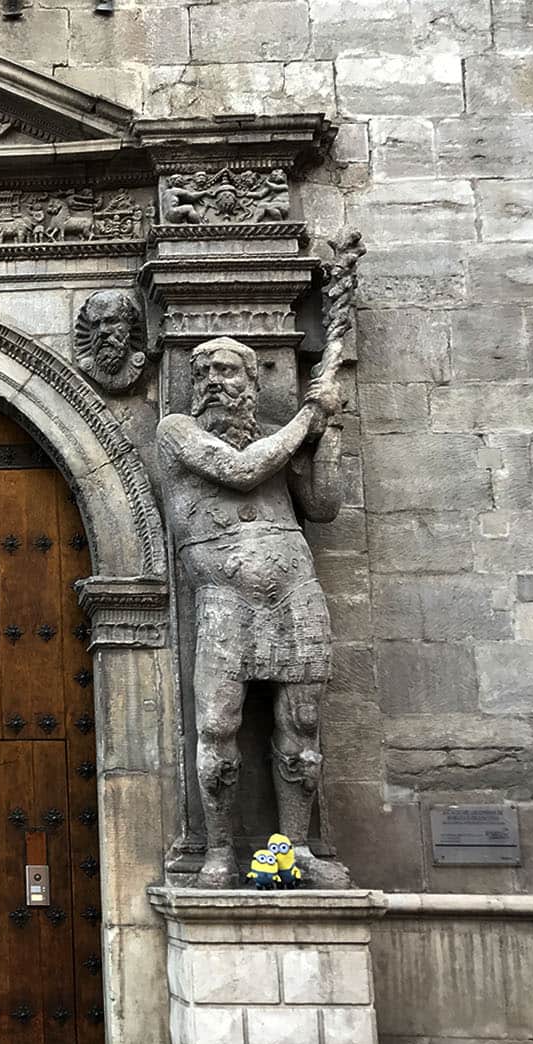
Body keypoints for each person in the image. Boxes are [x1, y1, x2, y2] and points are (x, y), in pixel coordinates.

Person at [157, 337, 351, 889]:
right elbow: (240, 471)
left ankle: (295, 851)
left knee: (303, 726)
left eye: (228, 371)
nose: (214, 381)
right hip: (225, 597)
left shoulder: (277, 443)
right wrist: (308, 417)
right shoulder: (177, 433)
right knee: (218, 726)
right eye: (204, 373)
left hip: (295, 593)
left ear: (252, 382)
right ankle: (218, 852)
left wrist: (329, 434)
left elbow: (323, 505)